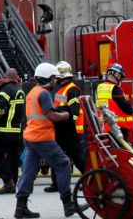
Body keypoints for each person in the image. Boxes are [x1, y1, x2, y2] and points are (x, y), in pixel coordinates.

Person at [14, 62, 81, 219]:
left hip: (30, 137)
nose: (55, 82)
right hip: (42, 137)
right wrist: (66, 115)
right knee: (63, 163)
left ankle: (21, 206)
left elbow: (43, 113)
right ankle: (68, 204)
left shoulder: (32, 92)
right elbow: (51, 116)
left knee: (29, 171)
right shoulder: (44, 94)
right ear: (49, 78)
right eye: (54, 79)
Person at [47, 62, 85, 194]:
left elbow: (74, 112)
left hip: (70, 129)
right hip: (61, 128)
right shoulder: (62, 90)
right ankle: (56, 183)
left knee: (76, 157)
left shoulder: (72, 90)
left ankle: (89, 180)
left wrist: (63, 121)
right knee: (57, 156)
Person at [96, 63, 133, 138]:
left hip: (105, 127)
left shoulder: (100, 87)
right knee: (122, 149)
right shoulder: (115, 89)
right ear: (118, 76)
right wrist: (132, 109)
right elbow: (126, 107)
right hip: (118, 128)